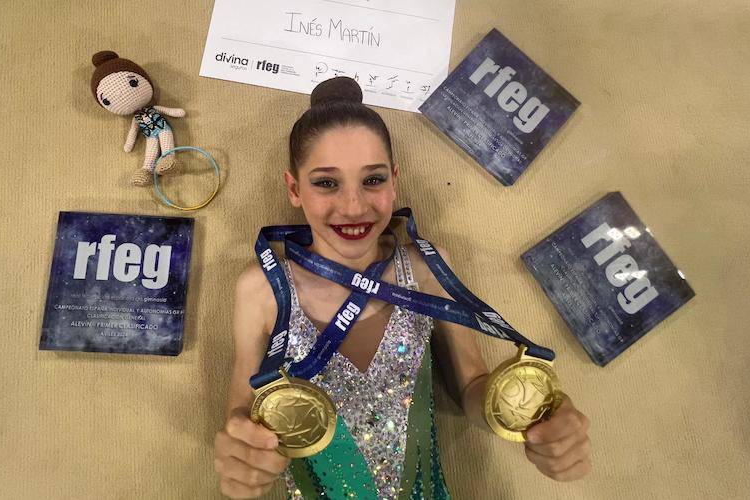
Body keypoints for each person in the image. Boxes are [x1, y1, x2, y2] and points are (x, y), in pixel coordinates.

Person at [213, 77, 591, 499]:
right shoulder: (262, 287)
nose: (354, 206)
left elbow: (471, 387)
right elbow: (241, 416)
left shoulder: (427, 269)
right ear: (294, 188)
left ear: (394, 181)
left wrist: (536, 420)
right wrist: (242, 458)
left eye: (372, 180)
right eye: (326, 183)